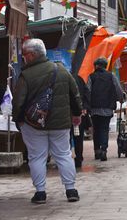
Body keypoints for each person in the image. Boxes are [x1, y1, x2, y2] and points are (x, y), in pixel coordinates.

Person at [12, 37, 82, 204]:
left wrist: (18, 120)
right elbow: (75, 94)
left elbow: (18, 101)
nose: (24, 58)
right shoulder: (61, 70)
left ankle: (40, 192)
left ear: (32, 55)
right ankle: (71, 190)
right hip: (60, 124)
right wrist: (77, 113)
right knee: (63, 155)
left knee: (37, 157)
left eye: (25, 55)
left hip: (34, 124)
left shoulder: (26, 75)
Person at [87, 56, 123, 160]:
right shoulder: (111, 76)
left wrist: (87, 105)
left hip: (94, 108)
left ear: (96, 66)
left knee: (96, 129)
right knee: (104, 129)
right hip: (107, 107)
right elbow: (118, 88)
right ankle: (103, 150)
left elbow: (88, 91)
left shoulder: (91, 77)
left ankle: (97, 151)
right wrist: (121, 98)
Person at [71, 68, 91, 163]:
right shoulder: (79, 79)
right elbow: (87, 93)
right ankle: (79, 157)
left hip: (66, 114)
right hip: (79, 113)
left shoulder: (58, 80)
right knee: (78, 136)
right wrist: (85, 108)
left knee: (65, 137)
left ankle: (66, 158)